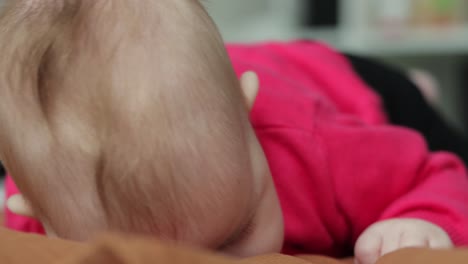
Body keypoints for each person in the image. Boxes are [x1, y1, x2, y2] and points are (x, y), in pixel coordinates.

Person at [1, 1, 468, 264]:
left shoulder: (306, 145)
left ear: (247, 115)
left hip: (348, 84)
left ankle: (416, 89)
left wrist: (423, 221)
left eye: (234, 235)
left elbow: (437, 173)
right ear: (33, 208)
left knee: (430, 128)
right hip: (240, 75)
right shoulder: (47, 202)